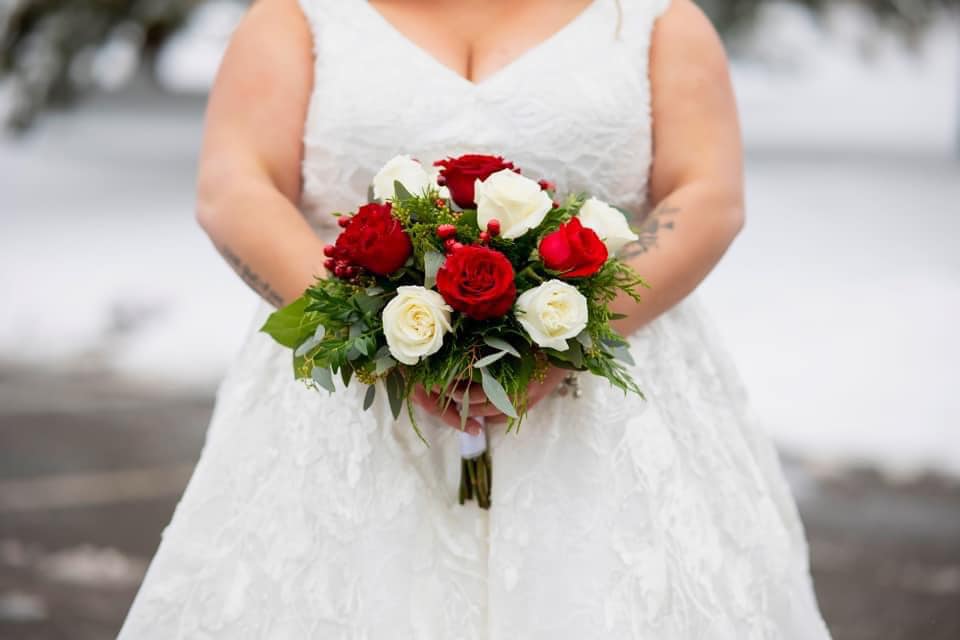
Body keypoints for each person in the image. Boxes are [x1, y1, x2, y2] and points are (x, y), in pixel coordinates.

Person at [118, 0, 832, 637]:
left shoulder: (655, 18)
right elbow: (235, 188)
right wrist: (373, 337)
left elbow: (708, 194)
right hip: (349, 398)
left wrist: (566, 339)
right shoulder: (297, 17)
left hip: (609, 399)